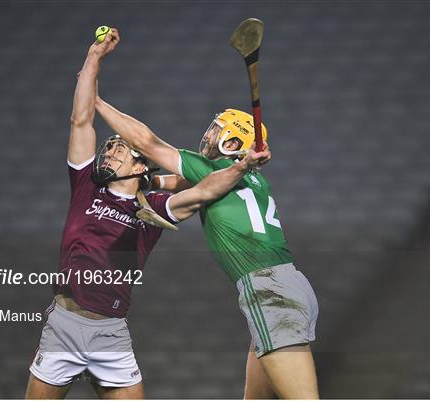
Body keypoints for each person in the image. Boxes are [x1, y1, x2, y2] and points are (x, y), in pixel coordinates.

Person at [25, 29, 272, 399]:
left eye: (119, 150)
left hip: (111, 331)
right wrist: (94, 58)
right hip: (64, 324)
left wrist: (242, 166)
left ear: (141, 167)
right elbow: (80, 121)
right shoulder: (86, 186)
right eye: (109, 150)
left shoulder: (151, 209)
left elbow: (202, 191)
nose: (109, 154)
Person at [94, 29, 319, 400]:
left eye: (217, 132)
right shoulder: (245, 178)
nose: (208, 135)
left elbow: (146, 142)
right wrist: (147, 178)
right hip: (293, 286)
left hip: (267, 290)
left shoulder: (217, 168)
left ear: (232, 144)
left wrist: (96, 101)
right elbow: (180, 182)